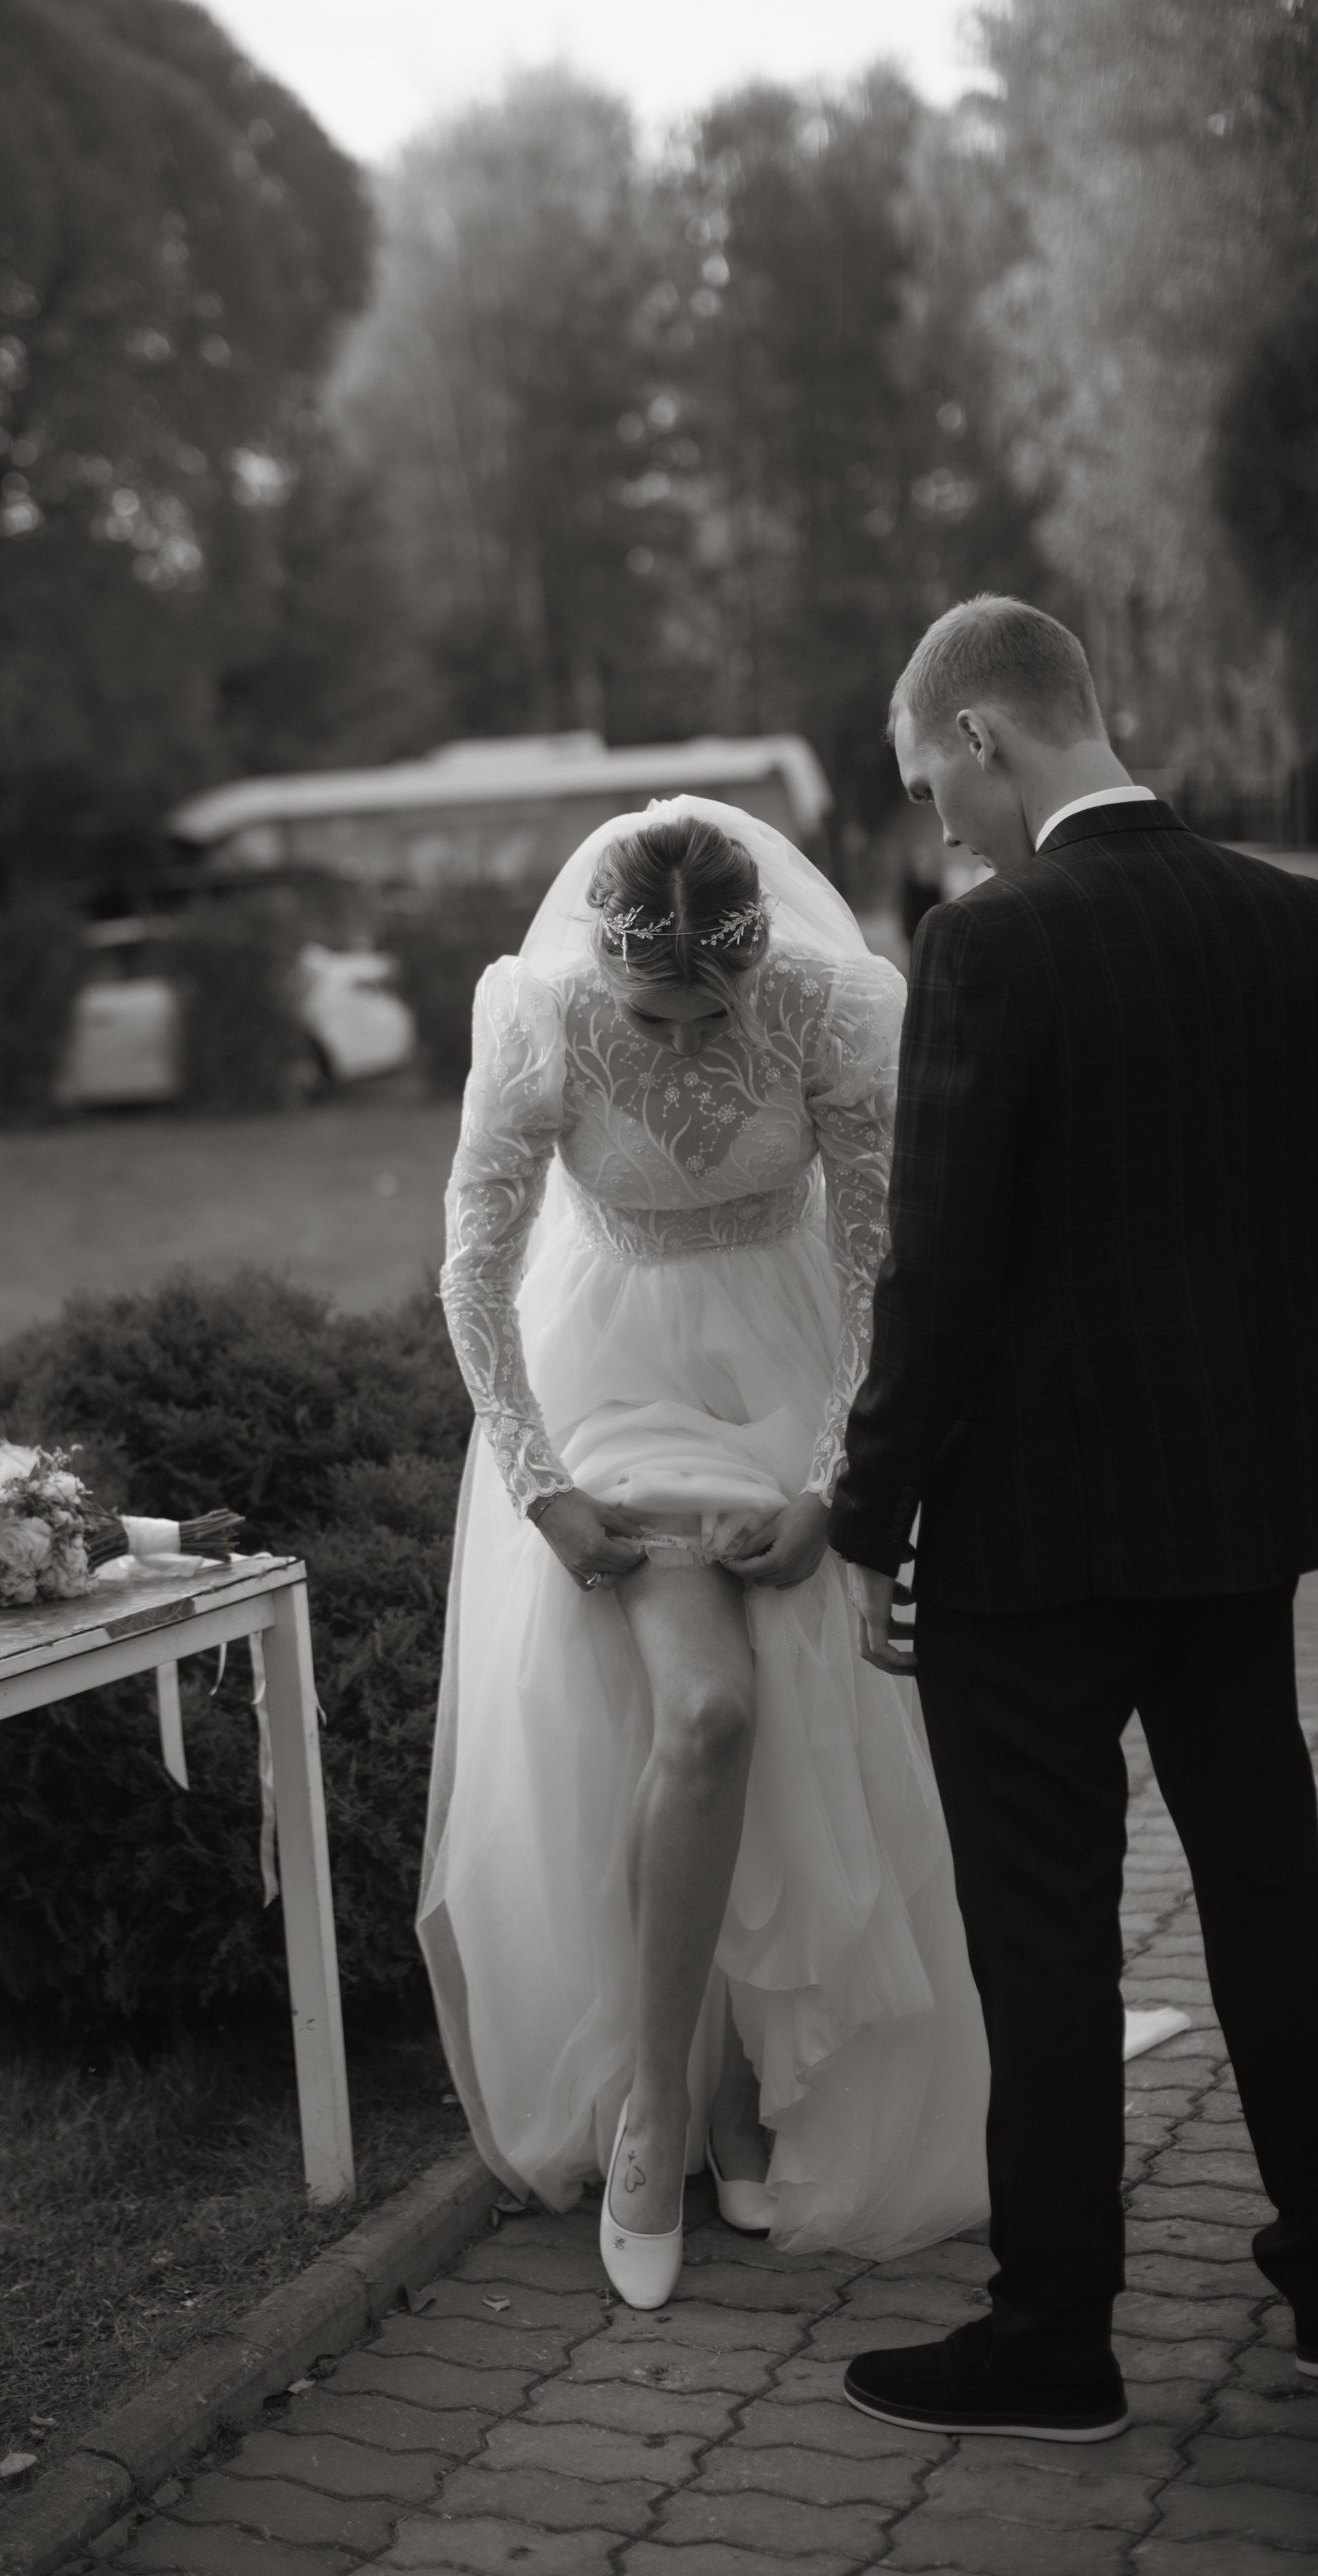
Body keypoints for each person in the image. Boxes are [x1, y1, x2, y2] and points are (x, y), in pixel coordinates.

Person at [832, 594, 1318, 2443]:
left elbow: (938, 1281)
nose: (936, 827)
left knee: (1043, 1936)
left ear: (983, 736)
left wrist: (868, 1511)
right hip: (1237, 1525)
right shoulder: (1291, 923)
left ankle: (1055, 2338)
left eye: (929, 785)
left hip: (1029, 1553)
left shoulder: (994, 947)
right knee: (1274, 1893)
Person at [419, 792, 991, 2310]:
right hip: (612, 1394)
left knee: (804, 1709)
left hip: (799, 1380)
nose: (680, 1034)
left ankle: (743, 2090)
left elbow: (881, 1271)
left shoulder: (833, 1007)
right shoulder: (538, 1019)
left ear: (755, 966)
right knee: (713, 1708)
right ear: (604, 970)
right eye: (650, 1008)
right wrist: (539, 1487)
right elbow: (473, 1275)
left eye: (707, 1006)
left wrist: (828, 1492)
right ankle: (651, 2107)